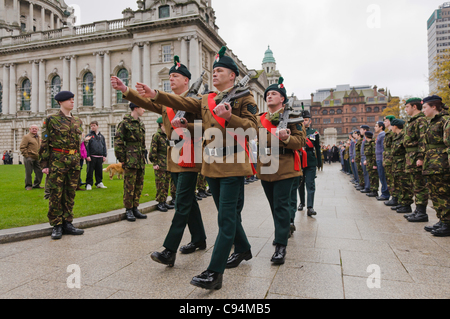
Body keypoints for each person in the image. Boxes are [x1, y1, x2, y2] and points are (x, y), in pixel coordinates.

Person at [134, 46, 258, 290]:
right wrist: (156, 95)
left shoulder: (244, 97)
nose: (214, 73)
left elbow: (252, 130)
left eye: (220, 70)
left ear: (232, 75)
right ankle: (243, 248)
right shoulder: (207, 99)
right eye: (213, 70)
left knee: (225, 219)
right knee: (229, 216)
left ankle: (214, 273)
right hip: (211, 166)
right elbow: (183, 105)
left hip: (232, 164)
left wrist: (229, 116)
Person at [112, 55, 207, 265]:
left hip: (190, 155)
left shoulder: (196, 101)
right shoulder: (166, 104)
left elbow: (202, 129)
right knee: (188, 200)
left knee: (181, 203)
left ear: (186, 81)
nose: (171, 79)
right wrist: (125, 90)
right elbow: (145, 101)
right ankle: (199, 239)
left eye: (176, 76)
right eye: (170, 76)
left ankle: (169, 250)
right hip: (173, 156)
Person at [256, 77, 305, 264]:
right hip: (266, 166)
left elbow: (300, 142)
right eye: (267, 94)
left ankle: (280, 246)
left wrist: (285, 139)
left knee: (281, 205)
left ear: (282, 99)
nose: (269, 96)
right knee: (274, 206)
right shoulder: (260, 118)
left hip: (285, 166)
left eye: (274, 93)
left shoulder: (292, 117)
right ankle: (282, 231)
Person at [39, 91, 84, 240]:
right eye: (69, 100)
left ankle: (68, 223)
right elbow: (45, 142)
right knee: (56, 193)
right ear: (60, 102)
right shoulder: (51, 120)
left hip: (73, 161)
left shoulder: (77, 121)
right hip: (57, 160)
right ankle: (56, 224)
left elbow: (78, 142)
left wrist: (79, 159)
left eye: (73, 99)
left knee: (70, 193)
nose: (72, 102)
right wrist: (44, 163)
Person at [418, 95, 450, 237]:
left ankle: (447, 222)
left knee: (443, 193)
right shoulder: (431, 122)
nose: (423, 110)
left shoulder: (444, 120)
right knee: (435, 193)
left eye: (425, 107)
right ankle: (442, 219)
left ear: (434, 107)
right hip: (431, 163)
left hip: (441, 163)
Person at [114, 102, 148, 222]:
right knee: (129, 185)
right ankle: (128, 209)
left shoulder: (141, 123)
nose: (144, 109)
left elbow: (142, 143)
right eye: (142, 106)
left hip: (139, 159)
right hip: (130, 159)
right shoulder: (124, 123)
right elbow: (118, 142)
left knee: (139, 184)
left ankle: (135, 207)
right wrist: (122, 159)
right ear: (136, 107)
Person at [403, 98, 430, 223]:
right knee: (415, 184)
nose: (406, 109)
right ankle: (418, 210)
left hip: (416, 156)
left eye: (407, 106)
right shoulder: (412, 121)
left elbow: (422, 140)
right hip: (411, 156)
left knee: (420, 185)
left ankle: (422, 212)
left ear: (414, 106)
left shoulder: (420, 120)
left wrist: (420, 157)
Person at [149, 116, 176, 212]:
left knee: (166, 184)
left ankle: (164, 201)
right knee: (160, 184)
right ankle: (160, 203)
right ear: (161, 124)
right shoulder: (157, 136)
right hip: (160, 164)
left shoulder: (167, 135)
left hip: (167, 164)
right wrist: (155, 163)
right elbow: (153, 151)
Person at [298, 110, 322, 216]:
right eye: (302, 120)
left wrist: (319, 163)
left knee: (310, 183)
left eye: (306, 120)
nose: (304, 122)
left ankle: (310, 207)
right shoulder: (297, 131)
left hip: (310, 160)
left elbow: (317, 148)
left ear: (310, 121)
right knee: (300, 183)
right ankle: (302, 202)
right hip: (299, 159)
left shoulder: (314, 133)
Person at [390, 119, 414, 214]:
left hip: (403, 163)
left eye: (392, 126)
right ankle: (401, 202)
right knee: (398, 184)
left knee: (405, 184)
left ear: (395, 126)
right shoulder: (396, 136)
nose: (391, 128)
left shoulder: (404, 136)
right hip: (397, 163)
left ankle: (406, 204)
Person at [85, 121, 107, 190]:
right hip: (91, 156)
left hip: (100, 157)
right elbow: (86, 147)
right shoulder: (89, 136)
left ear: (97, 126)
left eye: (94, 125)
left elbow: (104, 146)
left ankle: (99, 182)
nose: (92, 127)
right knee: (90, 171)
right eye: (91, 126)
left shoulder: (101, 136)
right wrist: (87, 155)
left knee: (99, 171)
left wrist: (104, 155)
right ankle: (88, 184)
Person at [20, 125, 43, 190]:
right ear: (30, 129)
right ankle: (28, 185)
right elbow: (22, 147)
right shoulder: (26, 137)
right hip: (29, 157)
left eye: (36, 129)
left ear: (38, 130)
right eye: (33, 129)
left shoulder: (38, 137)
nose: (34, 130)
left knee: (39, 171)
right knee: (29, 172)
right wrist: (27, 156)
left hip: (37, 157)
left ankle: (36, 184)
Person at [383, 115, 398, 206]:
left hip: (392, 159)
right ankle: (393, 197)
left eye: (385, 121)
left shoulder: (393, 132)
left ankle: (395, 198)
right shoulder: (388, 132)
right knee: (390, 179)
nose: (384, 122)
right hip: (388, 159)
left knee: (393, 179)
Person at [374, 121, 390, 201]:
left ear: (381, 127)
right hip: (378, 158)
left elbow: (384, 148)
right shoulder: (379, 135)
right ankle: (384, 193)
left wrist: (384, 159)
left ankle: (385, 194)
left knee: (383, 177)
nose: (375, 127)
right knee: (381, 176)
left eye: (376, 126)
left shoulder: (383, 135)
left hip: (381, 158)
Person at [363, 131, 379, 197]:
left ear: (366, 136)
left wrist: (374, 164)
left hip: (372, 162)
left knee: (374, 177)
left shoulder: (372, 144)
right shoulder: (367, 143)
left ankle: (375, 190)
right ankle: (372, 189)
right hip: (369, 161)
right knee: (370, 176)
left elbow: (374, 154)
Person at [359, 125, 371, 194]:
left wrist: (365, 158)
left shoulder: (367, 138)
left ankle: (367, 187)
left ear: (365, 130)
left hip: (365, 157)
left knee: (367, 173)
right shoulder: (364, 138)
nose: (360, 131)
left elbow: (367, 149)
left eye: (361, 129)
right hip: (363, 157)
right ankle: (366, 186)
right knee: (365, 173)